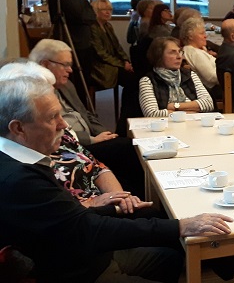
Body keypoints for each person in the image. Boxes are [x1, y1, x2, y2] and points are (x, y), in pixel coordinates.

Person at [0, 76, 233, 283]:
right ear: (18, 128)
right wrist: (179, 226)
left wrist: (119, 209)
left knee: (168, 259)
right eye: (53, 117)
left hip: (74, 263)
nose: (63, 124)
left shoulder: (20, 159)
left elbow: (73, 224)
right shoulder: (18, 179)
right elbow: (89, 230)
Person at [0, 61, 151, 214]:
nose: (63, 124)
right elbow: (64, 214)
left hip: (103, 200)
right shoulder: (28, 165)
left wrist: (121, 197)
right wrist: (95, 204)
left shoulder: (59, 134)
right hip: (90, 214)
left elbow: (96, 166)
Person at [29, 39, 145, 196]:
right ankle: (142, 194)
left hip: (90, 138)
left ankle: (136, 193)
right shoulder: (37, 96)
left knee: (124, 146)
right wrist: (93, 139)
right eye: (65, 64)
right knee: (126, 147)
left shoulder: (66, 85)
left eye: (70, 64)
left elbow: (86, 113)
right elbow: (56, 132)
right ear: (45, 64)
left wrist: (104, 132)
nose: (70, 70)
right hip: (74, 145)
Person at [54, 0, 96, 104]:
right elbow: (80, 15)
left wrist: (88, 15)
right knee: (76, 84)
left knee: (85, 81)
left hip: (83, 42)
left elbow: (90, 13)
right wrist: (87, 15)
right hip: (74, 43)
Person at [138, 37, 214, 118]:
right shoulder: (148, 81)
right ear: (159, 56)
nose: (179, 57)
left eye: (180, 52)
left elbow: (209, 104)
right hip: (166, 125)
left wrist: (174, 106)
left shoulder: (190, 75)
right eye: (172, 52)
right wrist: (192, 112)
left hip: (195, 123)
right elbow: (152, 114)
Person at [89, 0, 134, 92]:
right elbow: (100, 53)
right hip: (100, 66)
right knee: (130, 79)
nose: (108, 12)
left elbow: (117, 47)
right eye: (104, 10)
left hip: (112, 63)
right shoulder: (92, 27)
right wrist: (122, 64)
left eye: (109, 9)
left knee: (136, 77)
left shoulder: (108, 25)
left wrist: (126, 60)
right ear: (96, 11)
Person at [179, 17, 219, 96]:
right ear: (190, 36)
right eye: (202, 33)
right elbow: (212, 77)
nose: (205, 36)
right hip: (213, 91)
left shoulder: (194, 50)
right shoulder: (194, 53)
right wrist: (231, 75)